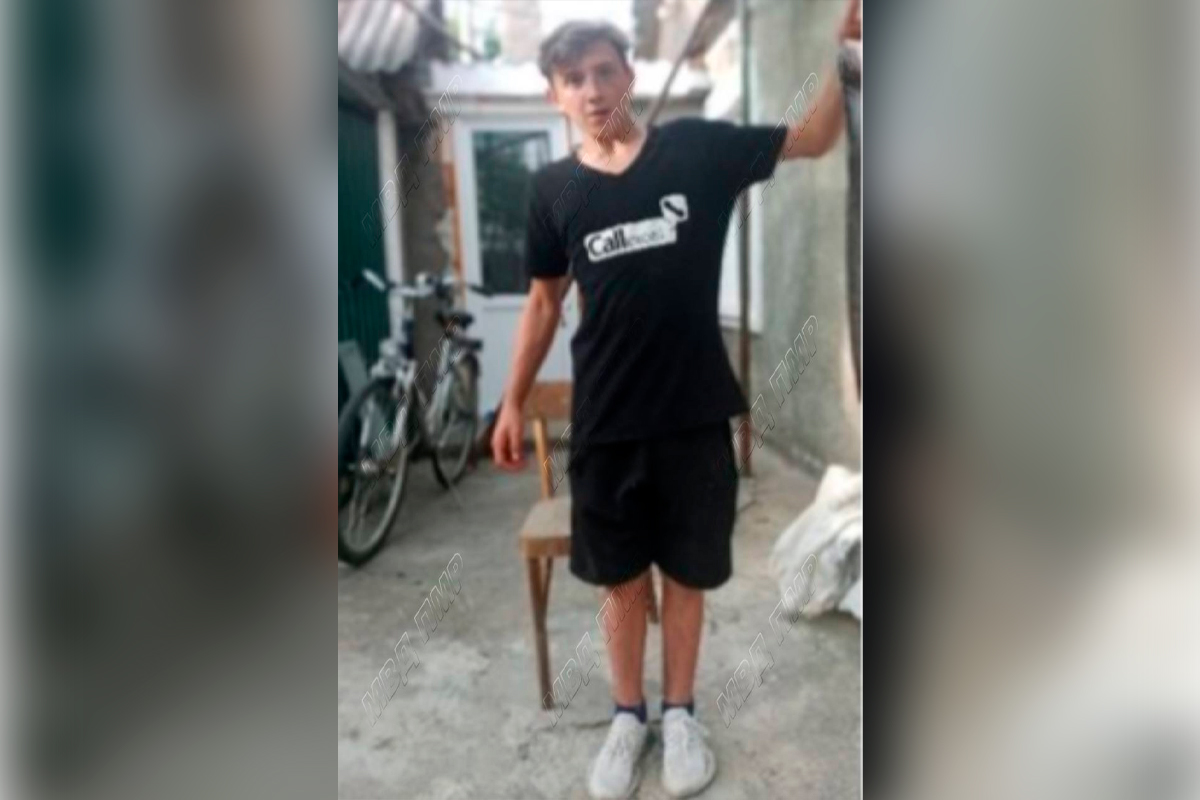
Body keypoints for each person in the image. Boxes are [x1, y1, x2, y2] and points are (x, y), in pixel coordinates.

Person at [492, 4, 860, 797]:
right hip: (606, 425)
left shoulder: (697, 149)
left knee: (685, 577)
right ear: (555, 94)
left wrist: (845, 57)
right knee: (623, 582)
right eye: (573, 79)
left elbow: (815, 138)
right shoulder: (553, 190)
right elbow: (543, 303)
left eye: (604, 71)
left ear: (630, 75)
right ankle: (629, 717)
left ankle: (681, 712)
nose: (592, 90)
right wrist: (511, 401)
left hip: (694, 416)